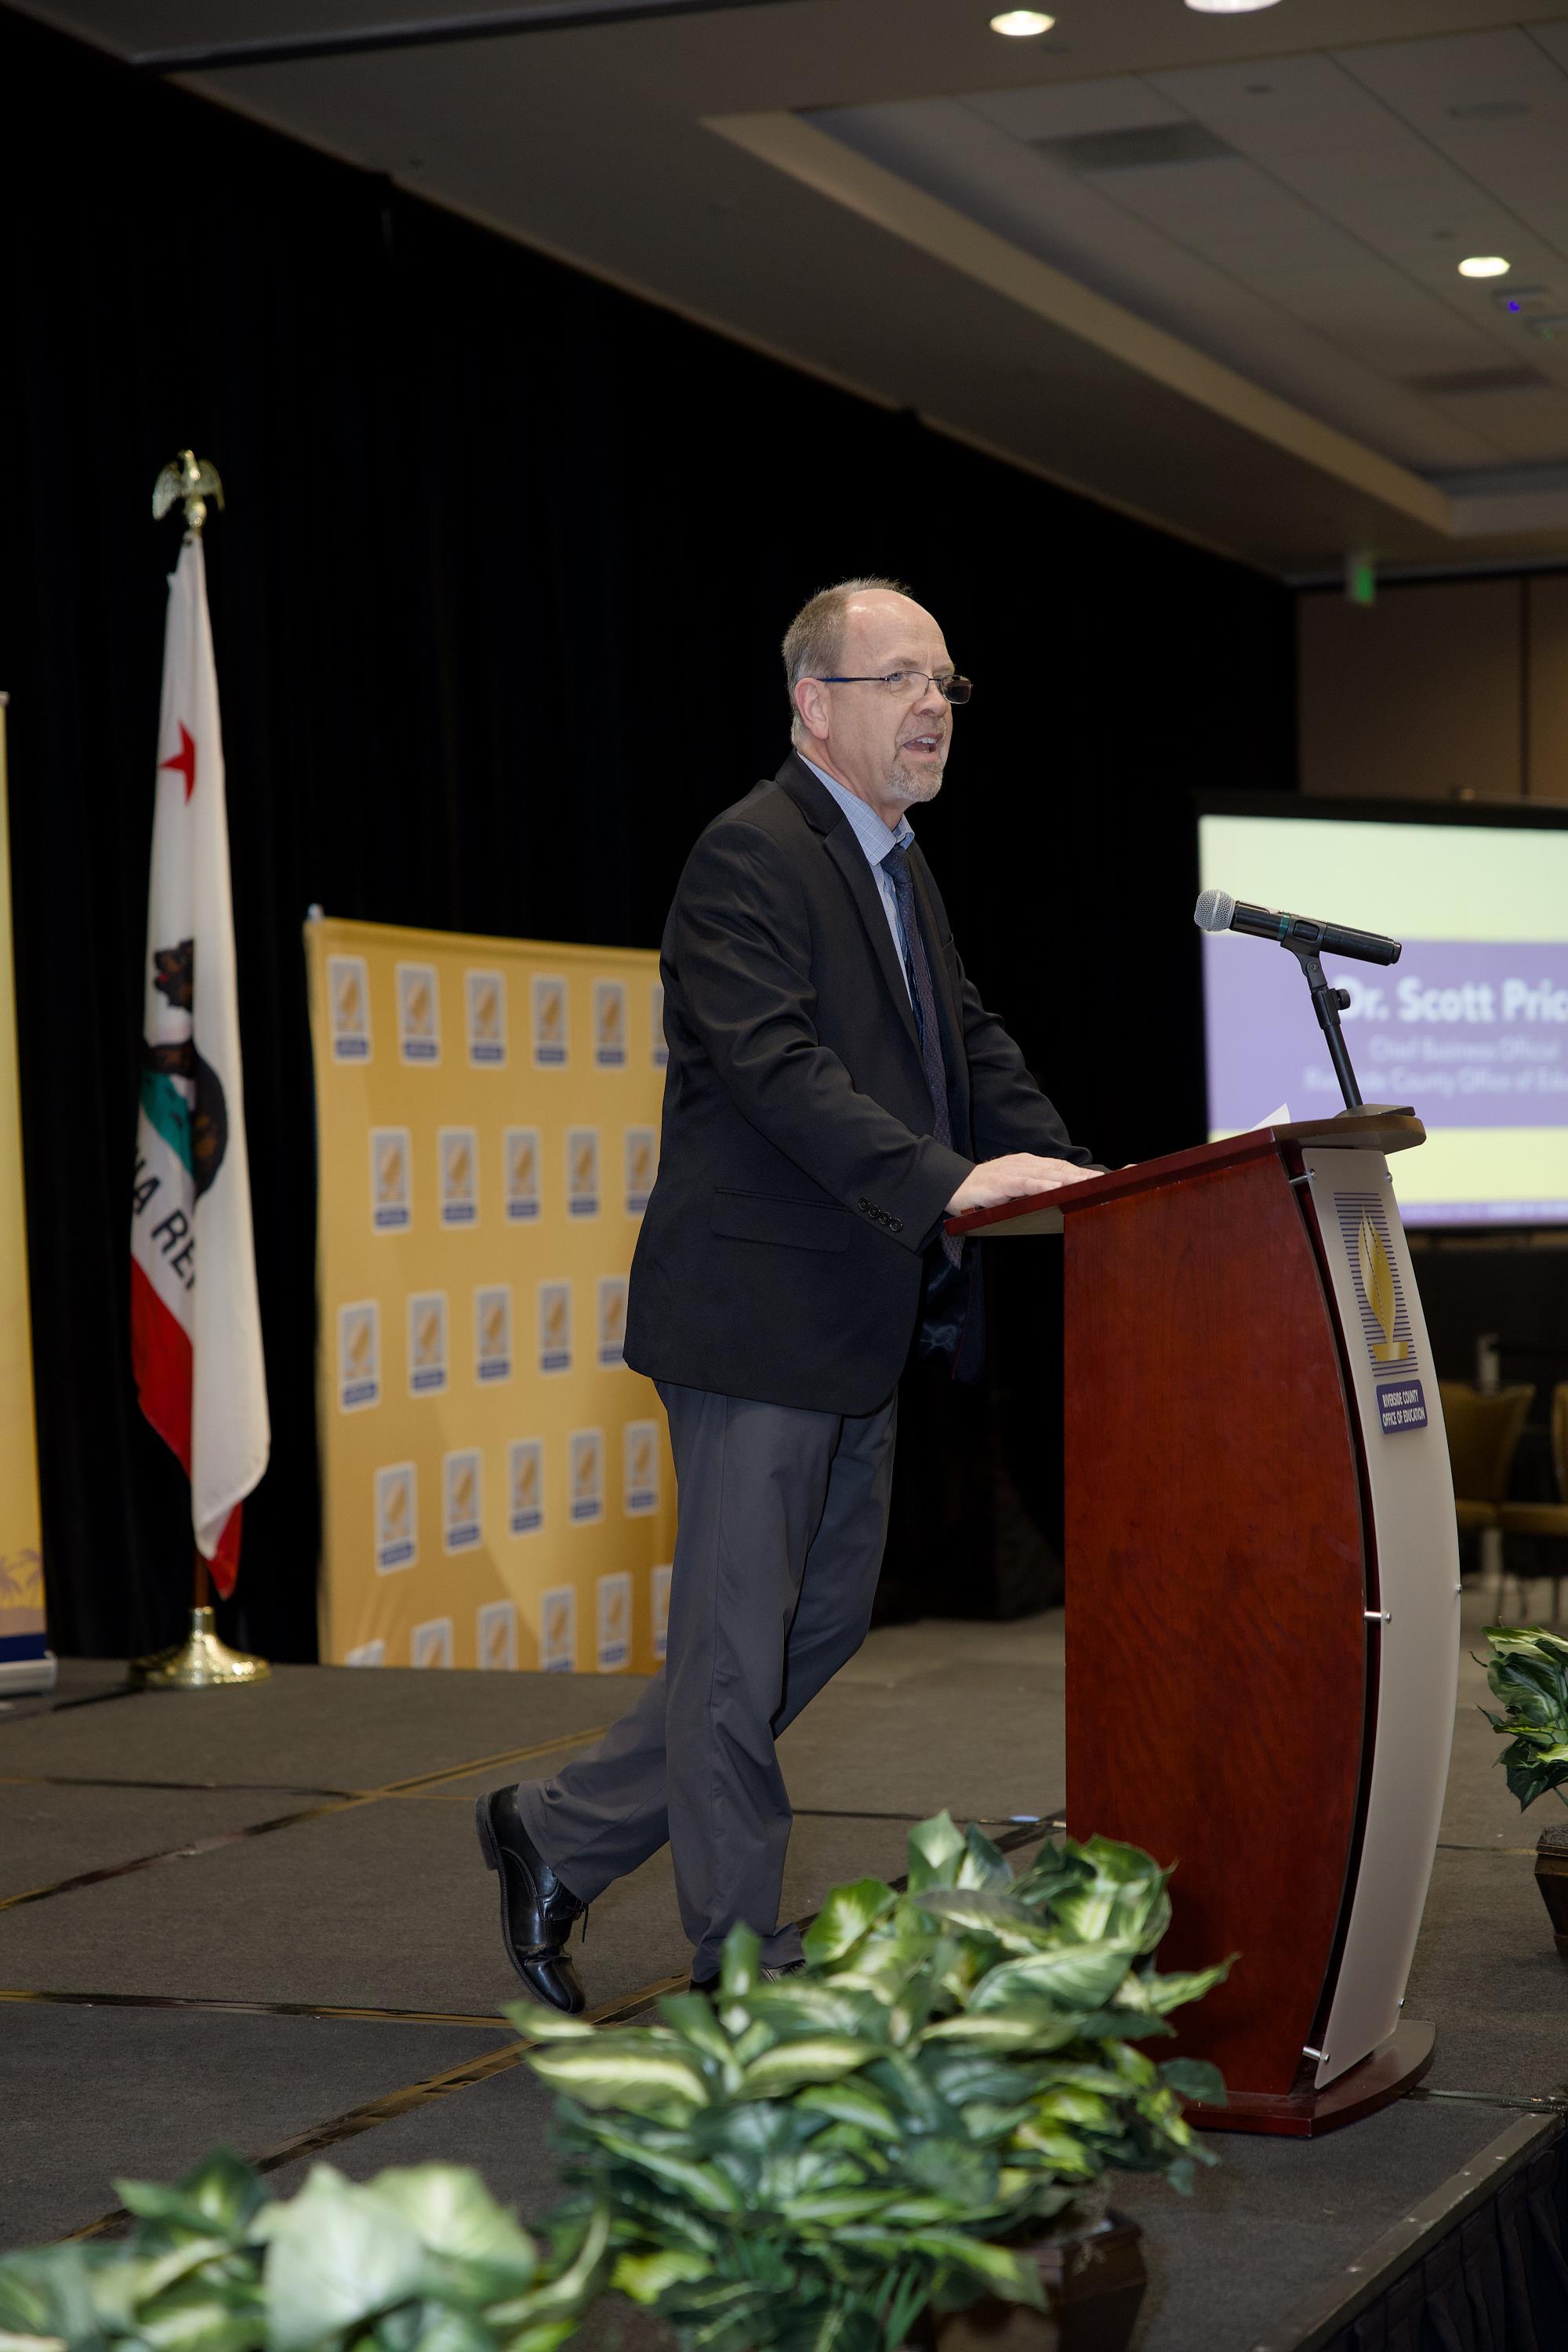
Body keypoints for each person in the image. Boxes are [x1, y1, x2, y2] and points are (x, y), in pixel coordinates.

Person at [475, 578, 1096, 2009]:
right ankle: (737, 1963)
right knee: (735, 1648)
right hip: (756, 1317)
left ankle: (559, 1832)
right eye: (904, 680)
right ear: (815, 704)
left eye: (947, 683)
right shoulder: (749, 856)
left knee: (804, 1635)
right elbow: (777, 1070)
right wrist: (949, 1183)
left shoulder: (900, 867)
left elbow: (964, 1048)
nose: (936, 706)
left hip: (856, 1320)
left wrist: (1084, 1181)